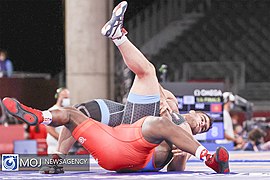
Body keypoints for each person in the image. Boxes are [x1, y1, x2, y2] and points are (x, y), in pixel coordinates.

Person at [2, 1, 229, 174]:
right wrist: (161, 101)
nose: (202, 125)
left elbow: (175, 172)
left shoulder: (183, 131)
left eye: (204, 127)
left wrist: (181, 155)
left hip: (135, 148)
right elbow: (155, 90)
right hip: (114, 143)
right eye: (203, 119)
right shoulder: (169, 101)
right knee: (77, 112)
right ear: (193, 111)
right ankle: (50, 142)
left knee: (150, 86)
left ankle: (118, 35)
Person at [46, 88, 71, 154]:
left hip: (65, 147)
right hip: (55, 146)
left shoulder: (68, 111)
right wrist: (62, 140)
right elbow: (50, 129)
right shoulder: (53, 110)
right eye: (65, 97)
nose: (67, 99)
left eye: (68, 97)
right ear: (58, 97)